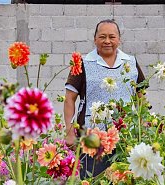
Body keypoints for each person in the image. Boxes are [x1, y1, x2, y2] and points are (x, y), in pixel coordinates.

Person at [64, 19, 145, 179]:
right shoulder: (83, 63)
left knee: (124, 179)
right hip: (91, 138)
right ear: (95, 39)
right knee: (91, 179)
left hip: (125, 137)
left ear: (119, 39)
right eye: (102, 37)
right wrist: (69, 132)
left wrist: (142, 126)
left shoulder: (131, 62)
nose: (107, 41)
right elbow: (69, 99)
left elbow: (141, 97)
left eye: (112, 37)